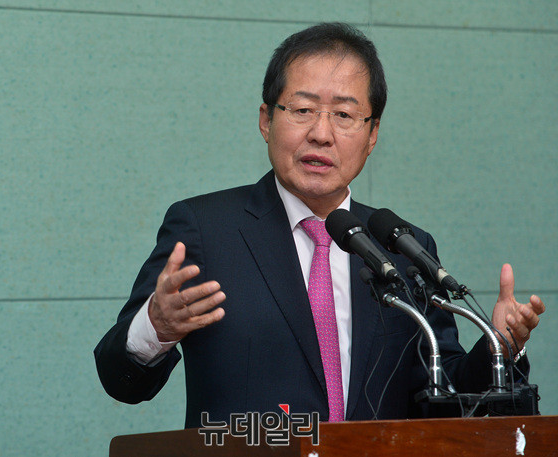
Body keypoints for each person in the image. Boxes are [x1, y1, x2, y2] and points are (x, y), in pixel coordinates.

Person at [94, 23, 544, 428]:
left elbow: (447, 398)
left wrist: (499, 347)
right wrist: (156, 326)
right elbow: (120, 380)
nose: (322, 134)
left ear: (372, 135)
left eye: (344, 115)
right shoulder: (205, 229)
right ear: (266, 120)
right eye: (303, 110)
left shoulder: (403, 246)